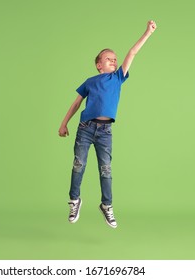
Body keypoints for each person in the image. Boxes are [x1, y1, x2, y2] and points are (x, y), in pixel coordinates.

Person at [58, 20, 157, 228]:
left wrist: (147, 33)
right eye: (108, 59)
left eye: (115, 59)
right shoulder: (90, 81)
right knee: (79, 165)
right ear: (98, 64)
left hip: (105, 131)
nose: (113, 61)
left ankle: (107, 205)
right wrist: (64, 123)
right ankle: (74, 200)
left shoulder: (117, 78)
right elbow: (76, 103)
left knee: (106, 169)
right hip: (85, 128)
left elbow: (132, 53)